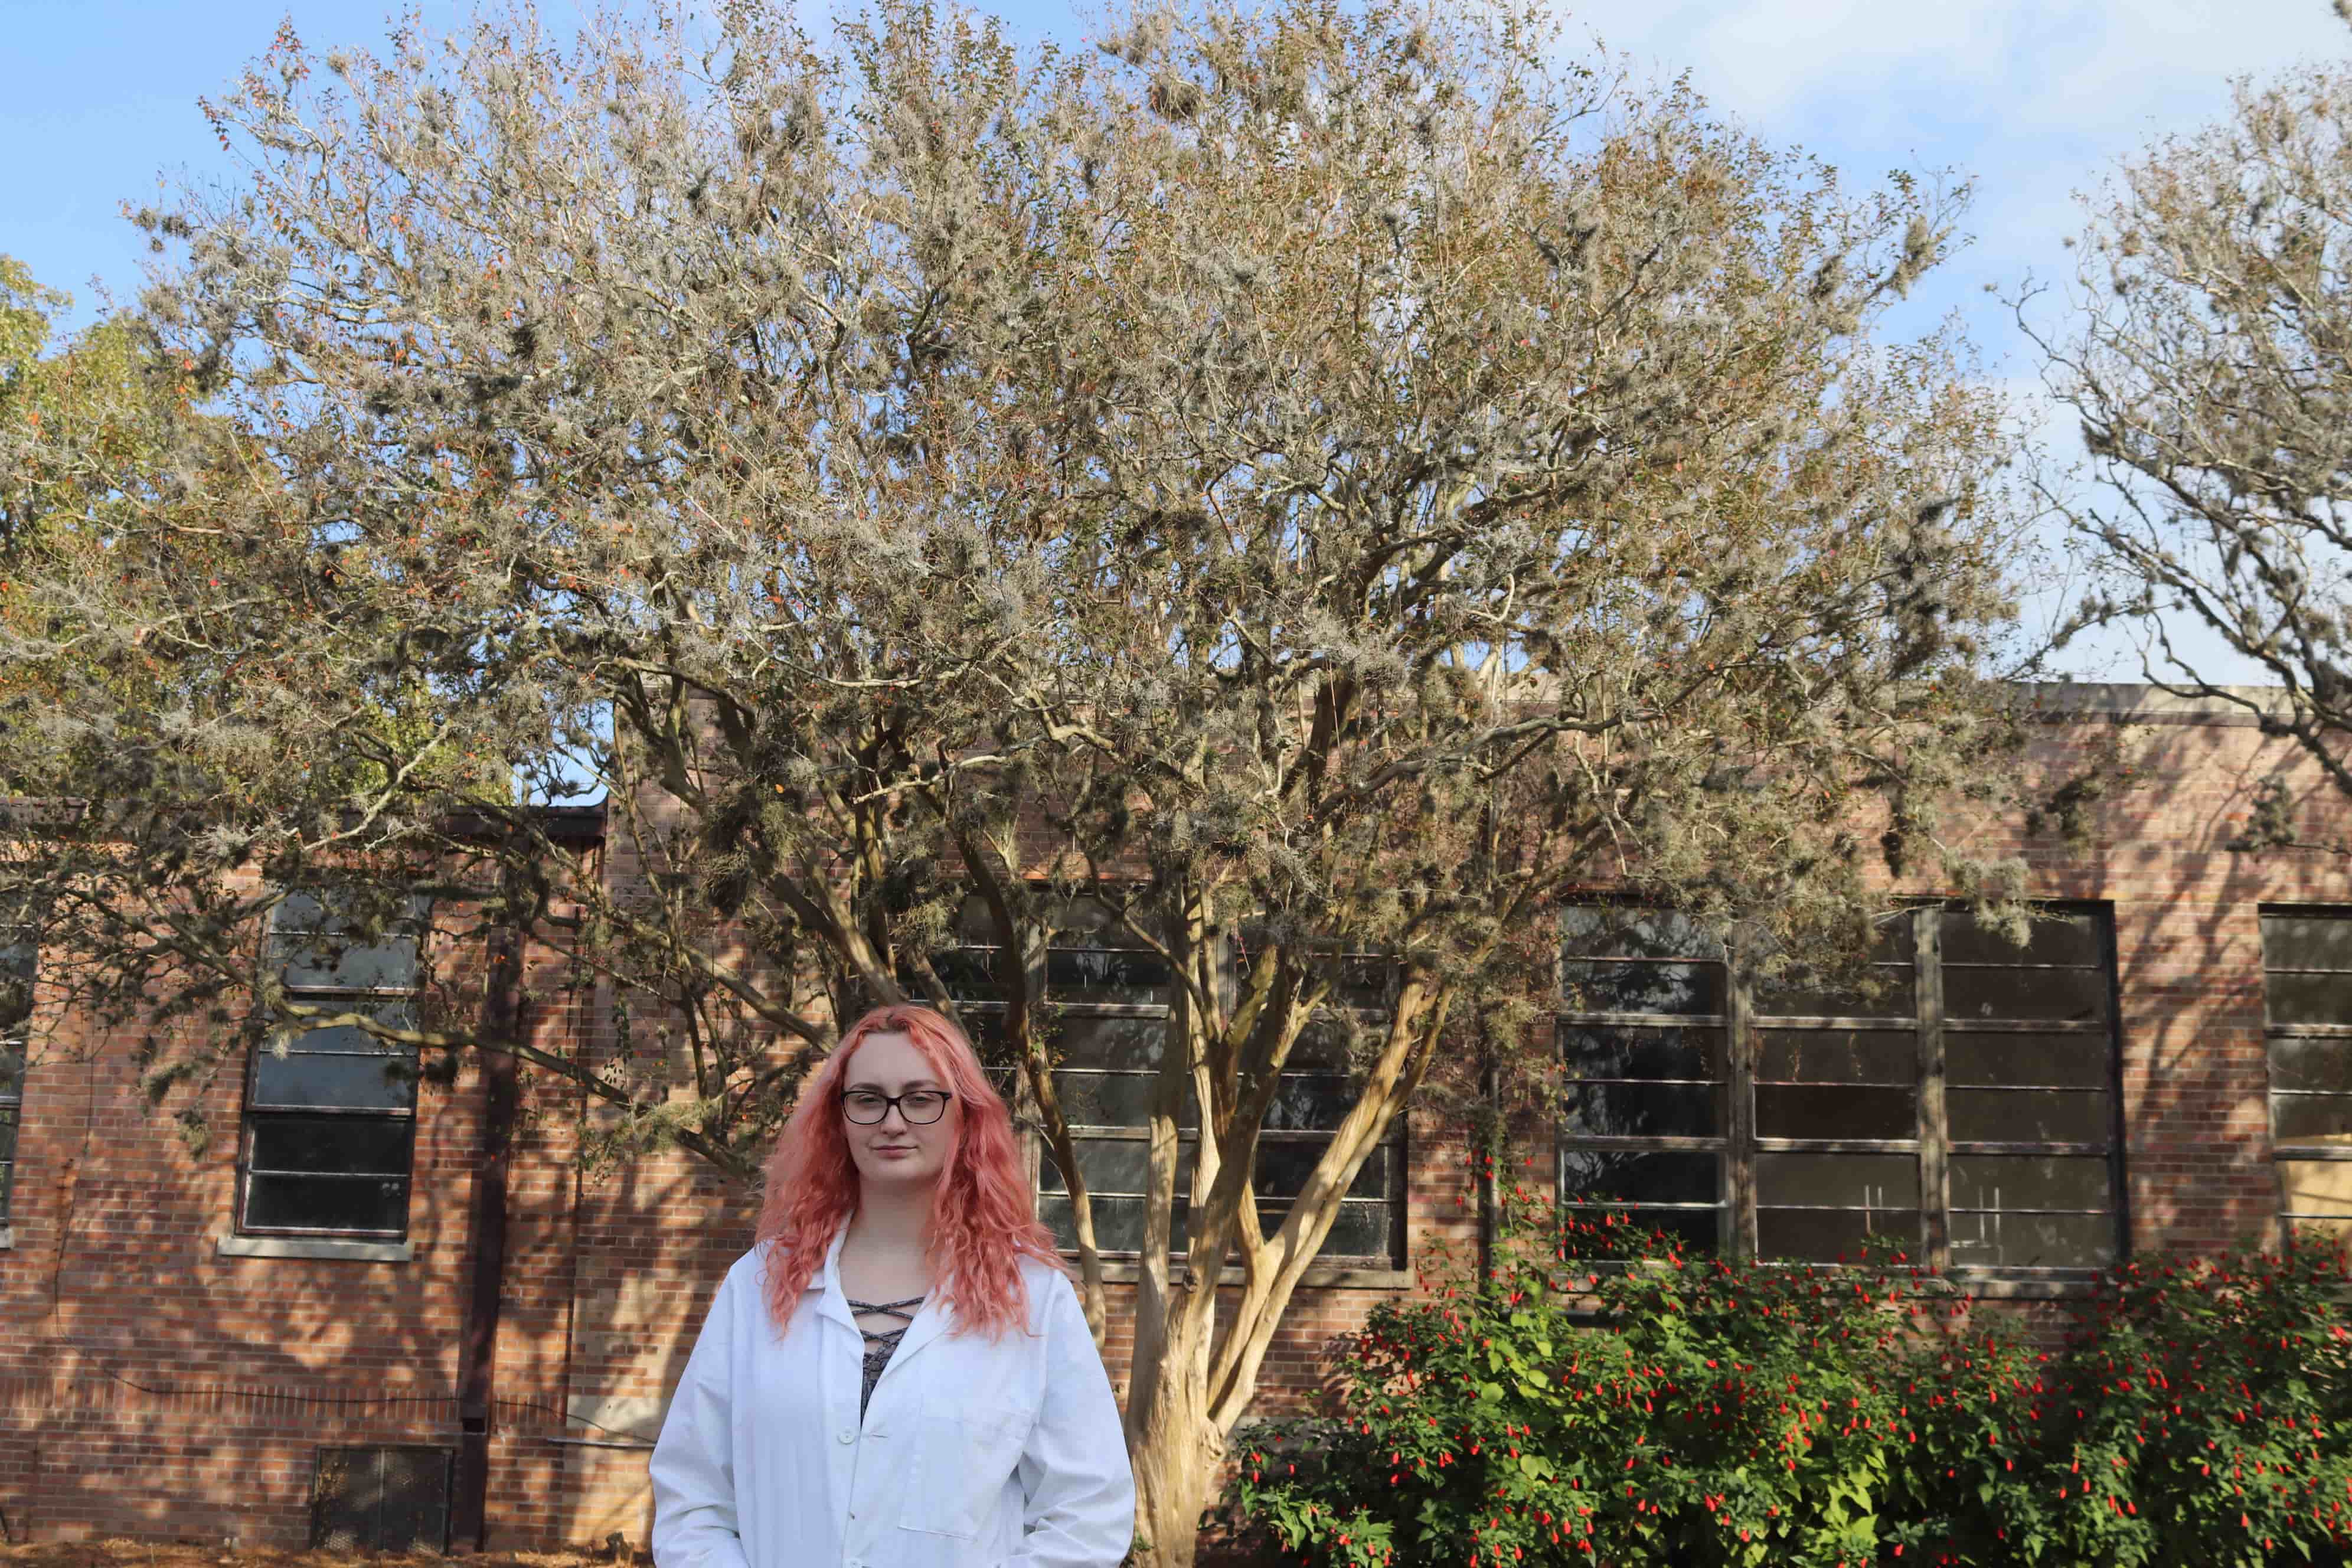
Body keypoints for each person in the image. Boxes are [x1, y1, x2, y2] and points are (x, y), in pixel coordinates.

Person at [650, 1003, 1136, 1568]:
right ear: (839, 1117)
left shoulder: (1030, 1296)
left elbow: (1087, 1515)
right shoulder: (758, 1285)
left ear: (965, 1116)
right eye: (868, 1098)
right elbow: (693, 1499)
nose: (893, 1121)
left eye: (921, 1097)